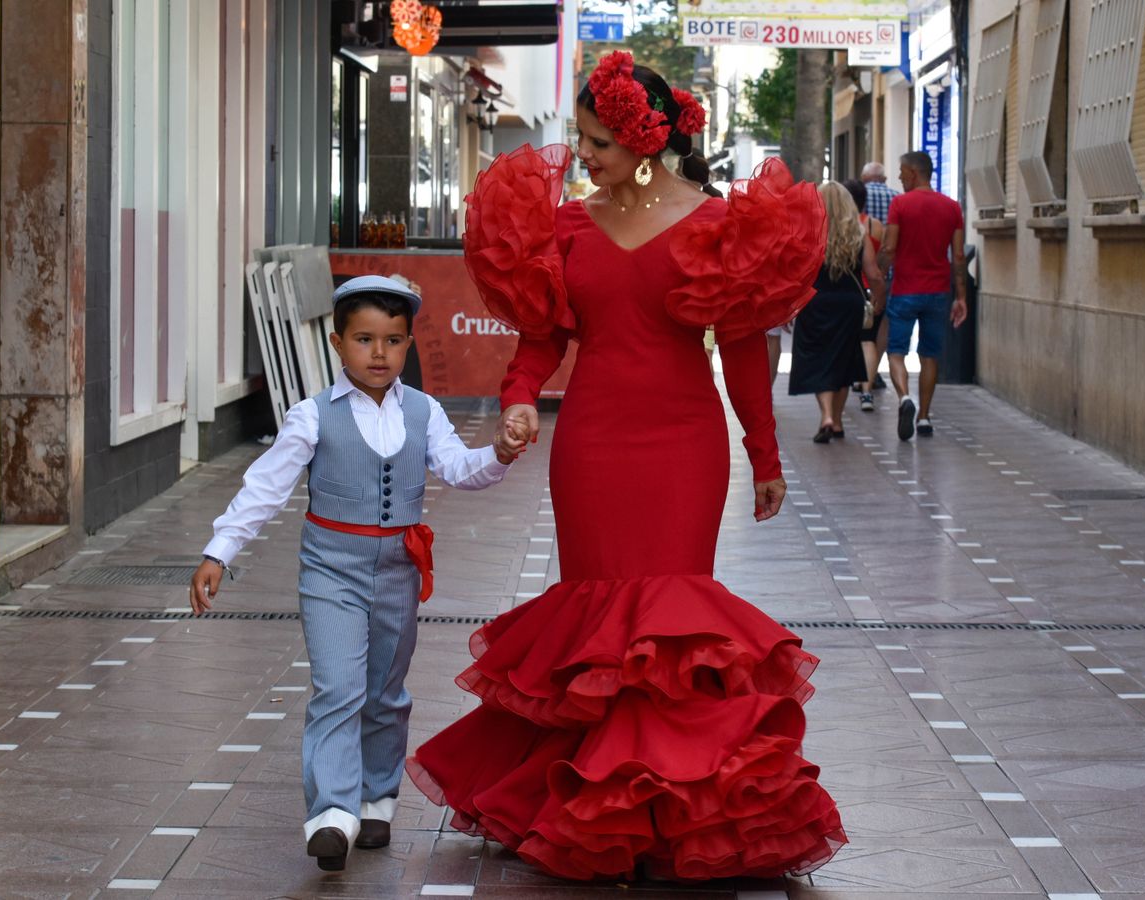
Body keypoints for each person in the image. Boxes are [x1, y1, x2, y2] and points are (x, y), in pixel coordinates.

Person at [406, 51, 846, 881]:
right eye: (581, 140)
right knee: (600, 630)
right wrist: (518, 399)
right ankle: (599, 809)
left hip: (683, 439)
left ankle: (674, 811)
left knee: (672, 630)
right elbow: (541, 336)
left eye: (599, 142)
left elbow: (745, 348)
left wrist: (765, 453)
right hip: (593, 442)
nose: (585, 157)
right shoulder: (567, 227)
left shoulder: (717, 222)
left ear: (645, 141)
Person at [188, 275, 526, 871]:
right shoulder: (311, 416)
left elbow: (459, 467)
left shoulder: (424, 412)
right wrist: (221, 549)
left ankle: (377, 796)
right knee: (337, 688)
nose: (379, 353)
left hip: (398, 567)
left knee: (385, 693)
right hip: (330, 568)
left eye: (393, 341)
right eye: (365, 339)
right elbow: (264, 488)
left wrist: (496, 452)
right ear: (339, 344)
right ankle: (332, 815)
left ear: (407, 346)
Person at [877, 151, 968, 440]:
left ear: (914, 173)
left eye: (902, 173)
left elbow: (889, 248)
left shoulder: (901, 204)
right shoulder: (952, 207)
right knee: (930, 354)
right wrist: (961, 296)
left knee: (896, 351)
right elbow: (959, 255)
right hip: (938, 291)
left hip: (905, 290)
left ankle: (904, 397)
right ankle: (925, 417)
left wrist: (878, 278)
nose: (900, 178)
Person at [788, 182, 878, 442]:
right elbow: (872, 273)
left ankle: (827, 415)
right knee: (844, 360)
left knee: (818, 359)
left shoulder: (808, 233)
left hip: (814, 303)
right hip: (848, 305)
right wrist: (879, 298)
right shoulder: (859, 233)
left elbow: (796, 273)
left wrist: (788, 306)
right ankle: (836, 421)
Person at [844, 179, 888, 411]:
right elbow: (880, 260)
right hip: (869, 292)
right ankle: (867, 391)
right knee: (868, 340)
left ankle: (847, 384)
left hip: (847, 291)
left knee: (846, 342)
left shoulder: (839, 227)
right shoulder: (874, 225)